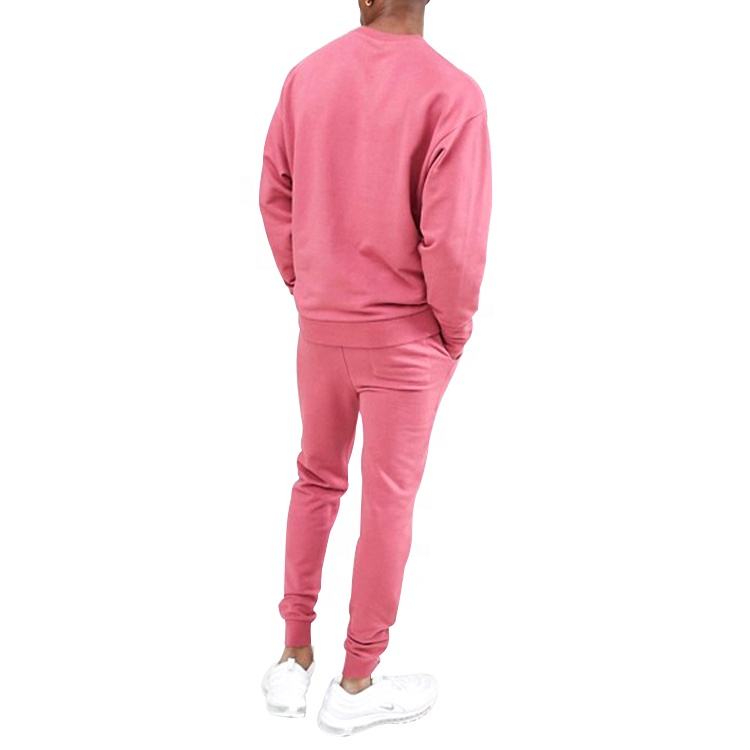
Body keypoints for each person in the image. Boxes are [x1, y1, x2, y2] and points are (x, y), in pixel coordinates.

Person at [258, 0, 492, 735]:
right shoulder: (453, 94)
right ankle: (356, 681)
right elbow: (454, 240)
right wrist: (453, 333)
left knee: (315, 477)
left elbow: (275, 193)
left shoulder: (306, 77)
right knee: (387, 501)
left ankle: (293, 658)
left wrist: (306, 285)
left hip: (321, 325)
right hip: (405, 337)